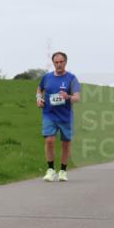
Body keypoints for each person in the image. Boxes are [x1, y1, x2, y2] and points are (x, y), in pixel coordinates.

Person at [37, 52, 81, 182]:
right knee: (49, 140)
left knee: (65, 143)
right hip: (49, 114)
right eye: (56, 62)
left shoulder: (71, 79)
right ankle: (50, 170)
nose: (59, 64)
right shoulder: (47, 77)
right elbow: (39, 89)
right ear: (53, 63)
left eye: (61, 62)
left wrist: (68, 96)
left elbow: (77, 97)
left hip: (65, 116)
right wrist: (39, 99)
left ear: (65, 62)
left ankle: (62, 170)